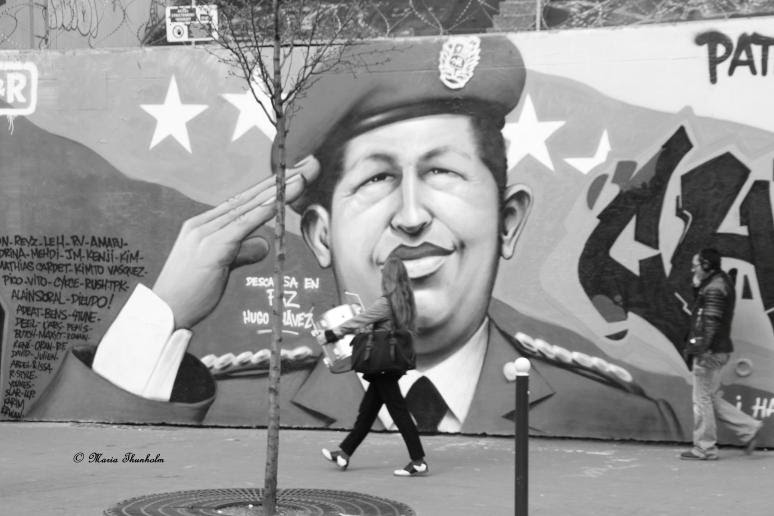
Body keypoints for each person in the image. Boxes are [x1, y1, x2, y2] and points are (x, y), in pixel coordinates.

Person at [28, 35, 689, 442]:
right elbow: (81, 458)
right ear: (320, 235)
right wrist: (165, 312)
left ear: (508, 220)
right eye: (377, 179)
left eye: (442, 172)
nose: (412, 217)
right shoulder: (234, 402)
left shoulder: (621, 413)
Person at [319, 254, 427, 477]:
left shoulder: (386, 303)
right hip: (390, 363)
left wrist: (332, 333)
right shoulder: (405, 301)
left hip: (382, 364)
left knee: (398, 412)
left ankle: (418, 460)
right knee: (367, 411)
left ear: (388, 278)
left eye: (383, 273)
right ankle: (344, 452)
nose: (380, 275)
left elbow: (360, 320)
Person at [680, 248, 763, 460]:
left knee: (701, 400)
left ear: (706, 265)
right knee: (711, 397)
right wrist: (696, 286)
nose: (692, 269)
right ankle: (749, 428)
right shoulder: (716, 283)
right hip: (717, 349)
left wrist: (703, 351)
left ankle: (705, 448)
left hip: (710, 351)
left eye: (695, 265)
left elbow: (710, 322)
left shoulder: (715, 287)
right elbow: (703, 311)